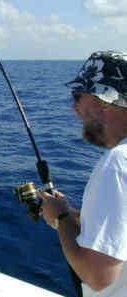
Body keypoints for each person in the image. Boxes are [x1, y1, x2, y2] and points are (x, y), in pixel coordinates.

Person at [39, 51, 127, 297]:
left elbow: (99, 276)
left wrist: (61, 219)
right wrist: (72, 215)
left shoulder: (119, 163)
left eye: (78, 96)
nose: (74, 107)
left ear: (103, 101)